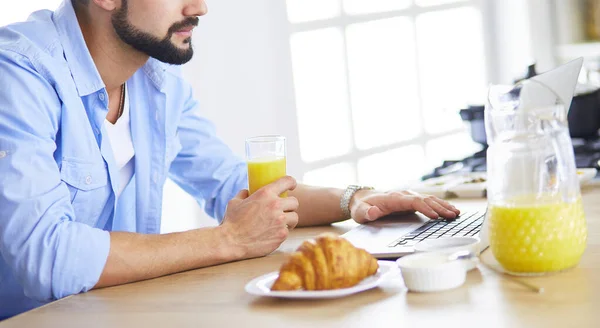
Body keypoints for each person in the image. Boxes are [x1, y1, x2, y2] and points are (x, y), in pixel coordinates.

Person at [0, 0, 460, 319]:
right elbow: (47, 257)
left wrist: (356, 199)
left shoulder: (155, 78)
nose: (199, 8)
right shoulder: (18, 75)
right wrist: (228, 240)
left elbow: (230, 185)